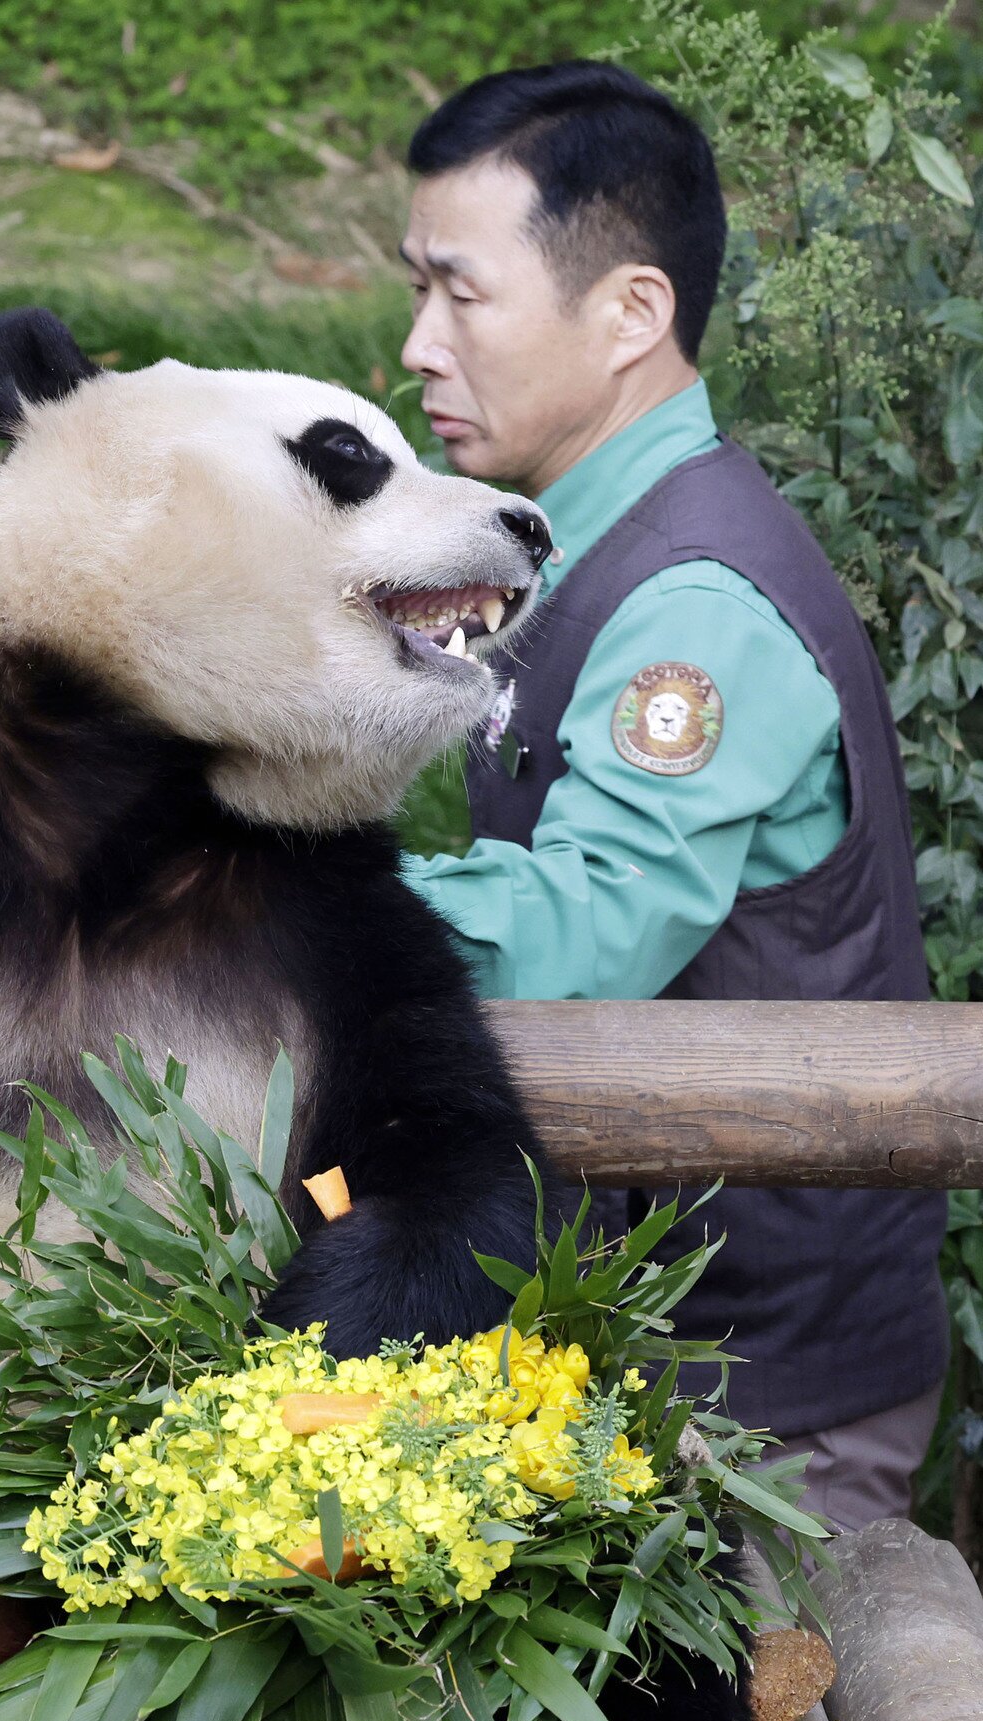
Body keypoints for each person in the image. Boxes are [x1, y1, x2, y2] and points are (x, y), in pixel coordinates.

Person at [396, 60, 948, 1533]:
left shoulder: (693, 606)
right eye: (416, 289)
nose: (418, 346)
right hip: (658, 1339)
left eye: (461, 293)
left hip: (767, 1405)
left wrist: (283, 913)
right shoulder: (584, 536)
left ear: (632, 312)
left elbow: (581, 935)